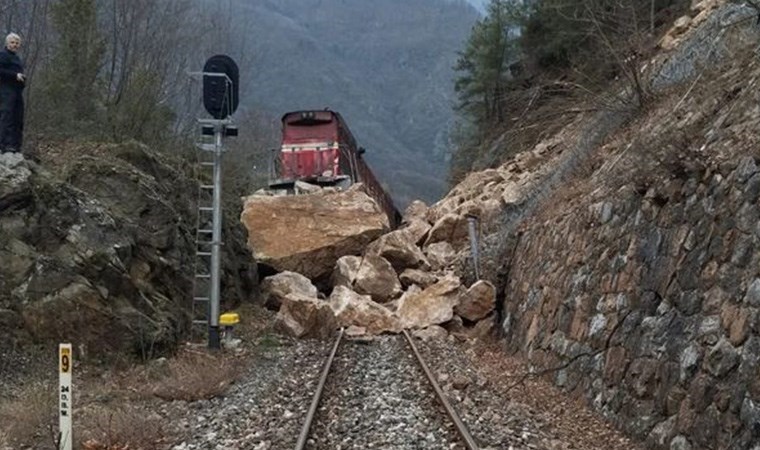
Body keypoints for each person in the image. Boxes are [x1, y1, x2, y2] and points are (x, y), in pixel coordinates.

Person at [0, 33, 25, 153]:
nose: (14, 45)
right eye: (12, 42)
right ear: (7, 43)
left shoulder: (17, 58)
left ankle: (16, 145)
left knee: (18, 118)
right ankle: (4, 145)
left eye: (16, 43)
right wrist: (15, 75)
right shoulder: (3, 55)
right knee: (7, 116)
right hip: (5, 90)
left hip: (17, 91)